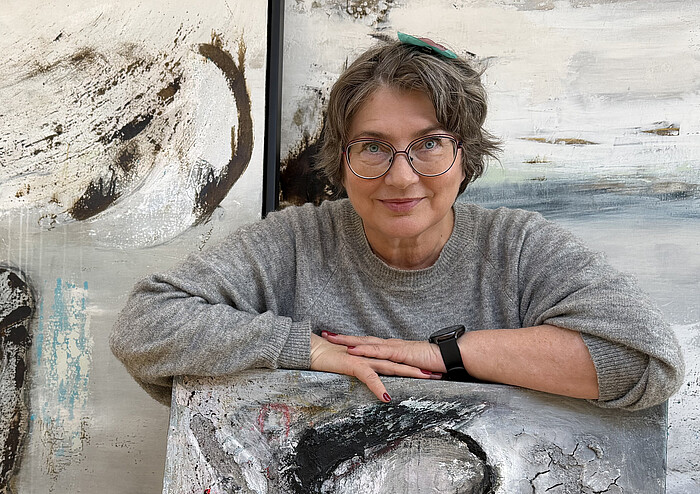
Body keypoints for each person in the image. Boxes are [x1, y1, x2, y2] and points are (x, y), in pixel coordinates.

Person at [110, 34, 684, 410]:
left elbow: (645, 360)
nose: (402, 177)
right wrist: (304, 348)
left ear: (466, 156)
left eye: (429, 144)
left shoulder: (517, 247)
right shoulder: (294, 241)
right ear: (341, 160)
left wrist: (443, 354)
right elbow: (143, 325)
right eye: (373, 146)